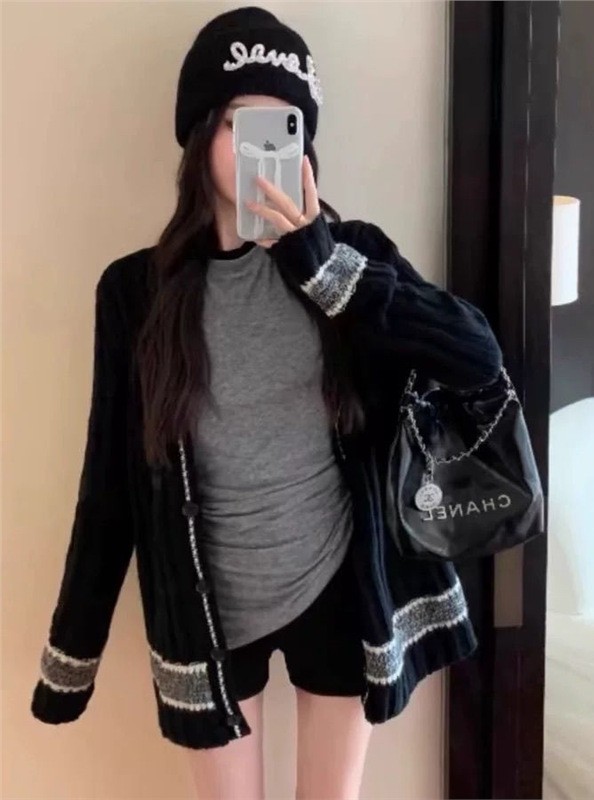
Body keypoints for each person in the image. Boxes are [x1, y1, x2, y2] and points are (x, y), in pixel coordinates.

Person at [30, 6, 503, 799]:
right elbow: (109, 483)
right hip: (207, 607)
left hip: (340, 587)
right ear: (199, 136)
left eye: (283, 126)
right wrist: (72, 656)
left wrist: (320, 263)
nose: (261, 148)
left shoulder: (350, 258)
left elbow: (475, 356)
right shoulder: (135, 292)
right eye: (237, 123)